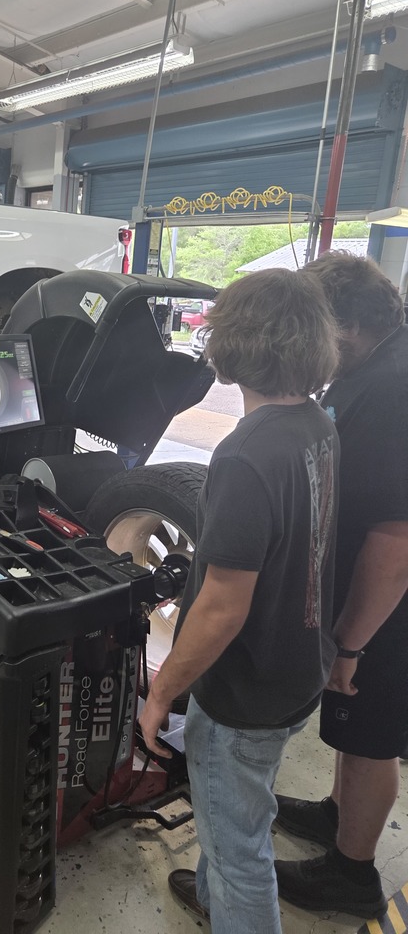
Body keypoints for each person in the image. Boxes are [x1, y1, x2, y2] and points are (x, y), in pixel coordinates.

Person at [139, 267, 340, 934]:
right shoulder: (317, 425)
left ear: (231, 347)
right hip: (297, 668)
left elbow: (223, 608)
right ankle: (211, 893)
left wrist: (162, 693)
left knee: (239, 853)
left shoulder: (245, 455)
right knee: (240, 811)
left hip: (244, 694)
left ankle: (228, 897)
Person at [274, 252, 408, 920]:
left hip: (386, 607)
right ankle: (337, 815)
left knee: (368, 736)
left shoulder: (392, 389)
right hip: (370, 596)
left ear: (350, 324)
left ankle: (350, 873)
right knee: (352, 731)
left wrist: (351, 643)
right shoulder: (374, 366)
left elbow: (395, 539)